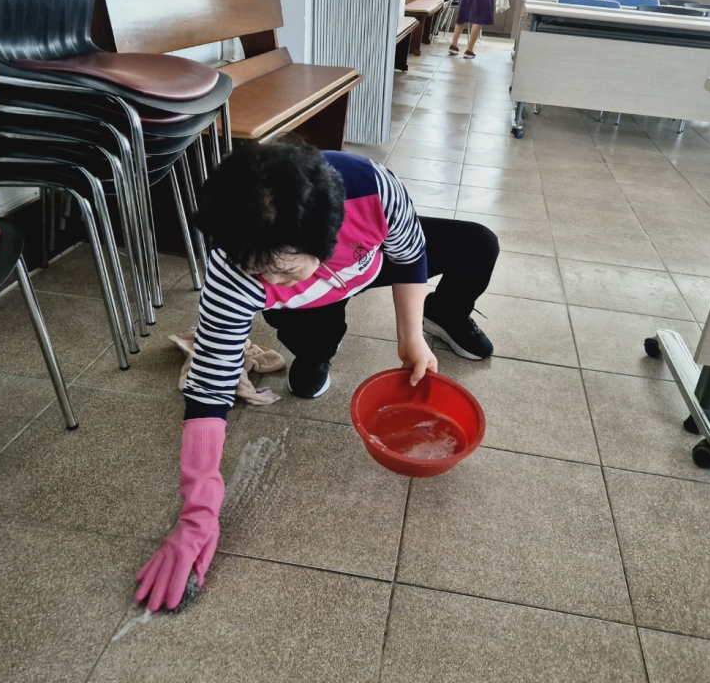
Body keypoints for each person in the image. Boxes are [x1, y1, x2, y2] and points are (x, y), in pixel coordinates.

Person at [134, 138, 499, 611]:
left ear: (325, 239)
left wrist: (410, 336)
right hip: (310, 303)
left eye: (283, 271)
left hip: (365, 262)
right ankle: (315, 350)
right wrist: (197, 511)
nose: (269, 283)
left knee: (478, 243)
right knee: (317, 343)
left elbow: (410, 255)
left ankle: (443, 316)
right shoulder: (234, 272)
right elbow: (209, 385)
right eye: (257, 272)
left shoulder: (370, 189)